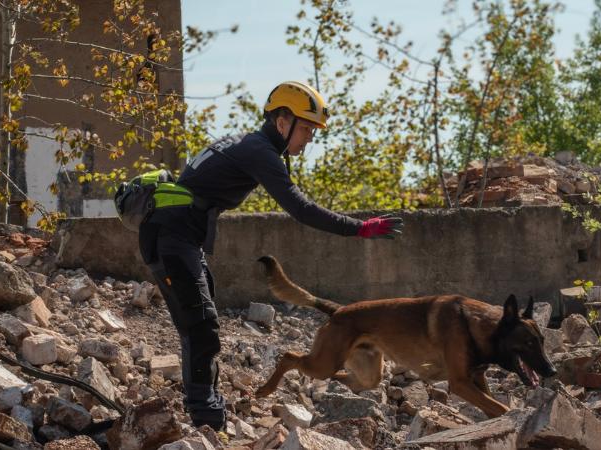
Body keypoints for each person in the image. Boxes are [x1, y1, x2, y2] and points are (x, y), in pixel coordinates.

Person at [137, 80, 403, 430]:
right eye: (306, 127)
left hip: (179, 238)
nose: (310, 137)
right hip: (172, 238)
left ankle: (206, 413)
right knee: (200, 328)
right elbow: (300, 208)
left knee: (202, 324)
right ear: (282, 122)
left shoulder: (249, 144)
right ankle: (205, 419)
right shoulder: (260, 151)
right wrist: (358, 228)